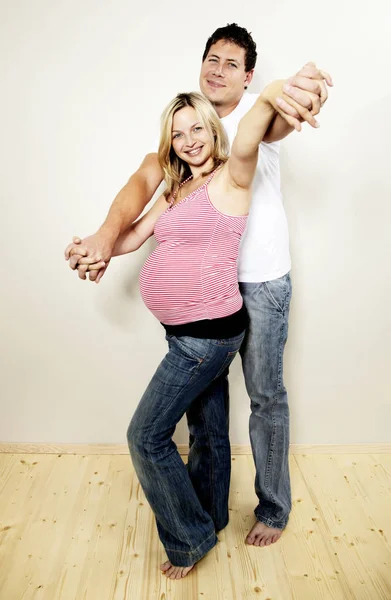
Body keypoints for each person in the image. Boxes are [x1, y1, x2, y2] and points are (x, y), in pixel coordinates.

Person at [65, 24, 332, 552]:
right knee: (207, 418)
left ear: (248, 77)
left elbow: (262, 127)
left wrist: (286, 89)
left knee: (265, 396)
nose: (219, 69)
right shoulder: (182, 161)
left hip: (258, 283)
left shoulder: (247, 136)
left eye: (232, 64)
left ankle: (273, 509)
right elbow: (139, 204)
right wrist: (97, 243)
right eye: (213, 58)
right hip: (202, 305)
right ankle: (208, 517)